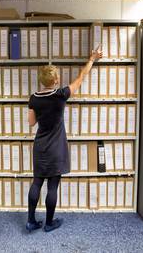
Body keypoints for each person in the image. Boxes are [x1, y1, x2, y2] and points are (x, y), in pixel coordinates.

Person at [26, 48, 103, 232]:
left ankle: (30, 221)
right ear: (56, 80)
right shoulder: (61, 95)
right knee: (53, 185)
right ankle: (49, 223)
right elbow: (80, 78)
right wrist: (92, 59)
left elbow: (31, 123)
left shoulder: (34, 98)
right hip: (56, 148)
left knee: (37, 182)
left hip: (40, 147)